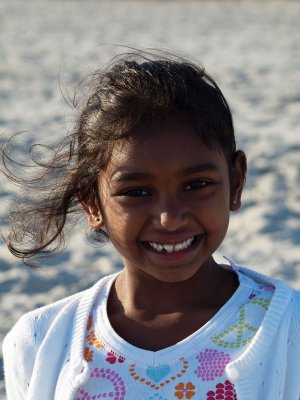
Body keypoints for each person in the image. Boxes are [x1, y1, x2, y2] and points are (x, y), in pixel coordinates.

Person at [2, 50, 300, 400]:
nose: (170, 218)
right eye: (137, 191)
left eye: (196, 185)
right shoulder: (42, 340)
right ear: (93, 203)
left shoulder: (287, 331)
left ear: (236, 183)